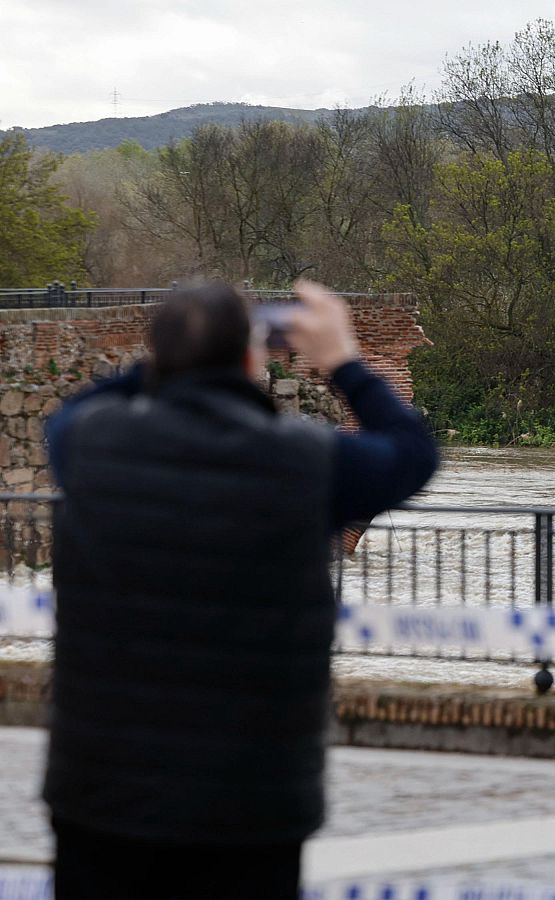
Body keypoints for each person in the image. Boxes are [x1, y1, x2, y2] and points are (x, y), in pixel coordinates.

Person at [42, 280, 439, 899]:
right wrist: (344, 363)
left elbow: (66, 413)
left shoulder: (90, 445)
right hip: (251, 803)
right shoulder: (308, 462)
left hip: (102, 796)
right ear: (254, 360)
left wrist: (169, 357)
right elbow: (414, 454)